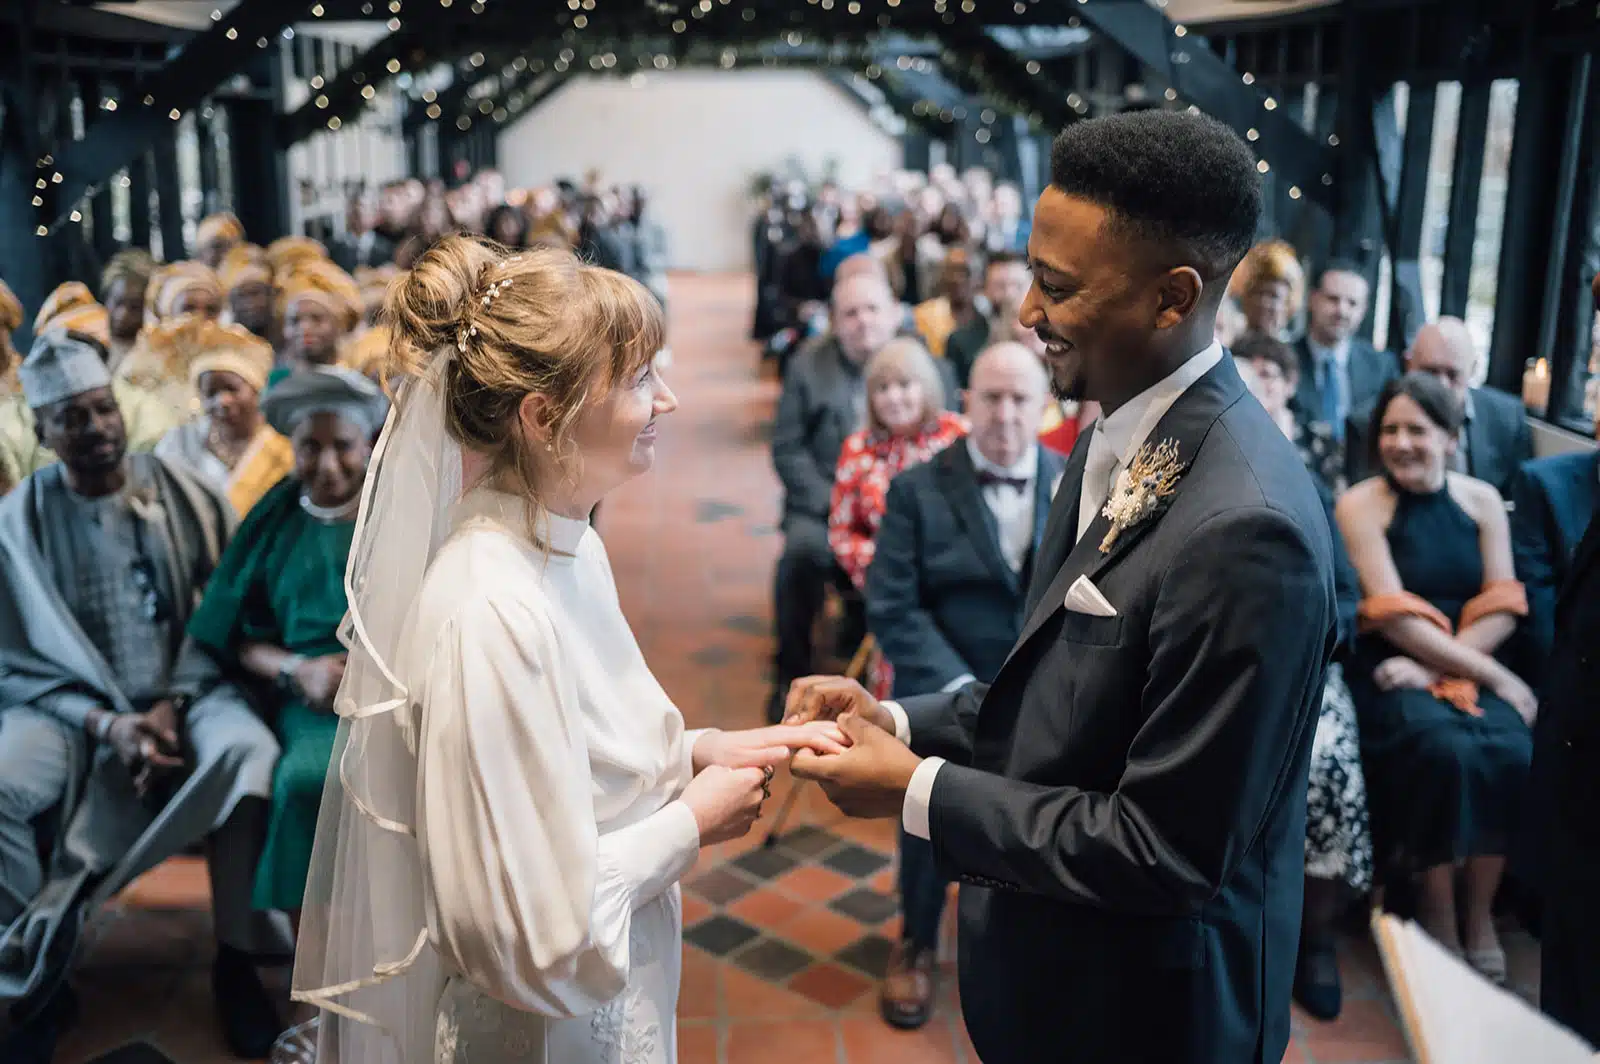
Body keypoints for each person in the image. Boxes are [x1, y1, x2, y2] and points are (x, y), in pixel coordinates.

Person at [787, 110, 1337, 1064]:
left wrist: (917, 790)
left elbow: (1165, 850)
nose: (1027, 313)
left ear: (1173, 298)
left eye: (1057, 285)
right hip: (1055, 968)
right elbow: (1060, 696)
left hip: (1144, 1013)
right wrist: (903, 723)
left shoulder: (1249, 531)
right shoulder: (1108, 431)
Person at [289, 235, 845, 1064]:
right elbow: (521, 931)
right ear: (543, 417)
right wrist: (693, 823)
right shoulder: (489, 612)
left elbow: (574, 751)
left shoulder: (565, 541)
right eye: (636, 380)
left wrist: (701, 750)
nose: (669, 400)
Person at [0, 333, 283, 1062]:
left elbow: (230, 613)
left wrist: (174, 703)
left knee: (250, 755)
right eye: (71, 417)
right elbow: (15, 660)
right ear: (41, 431)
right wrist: (108, 723)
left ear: (120, 413)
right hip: (71, 713)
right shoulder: (19, 523)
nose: (93, 428)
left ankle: (236, 961)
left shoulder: (186, 491)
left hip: (193, 690)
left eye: (102, 410)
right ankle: (37, 972)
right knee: (1, 783)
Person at [864, 341, 1061, 1030]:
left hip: (1048, 698)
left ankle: (1029, 944)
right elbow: (892, 606)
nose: (1005, 414)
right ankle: (917, 938)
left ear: (1044, 408)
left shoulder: (1077, 485)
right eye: (991, 397)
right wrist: (958, 692)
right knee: (926, 803)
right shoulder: (919, 489)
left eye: (1020, 399)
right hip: (946, 687)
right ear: (965, 403)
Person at [1336, 373, 1533, 983]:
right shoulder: (1360, 504)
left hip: (1452, 664)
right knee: (1443, 750)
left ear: (1450, 438)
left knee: (1512, 749)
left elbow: (1501, 603)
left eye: (1417, 431)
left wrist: (1443, 667)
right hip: (1392, 668)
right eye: (1390, 431)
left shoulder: (1481, 502)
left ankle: (1480, 915)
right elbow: (1392, 614)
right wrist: (1495, 677)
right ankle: (1437, 911)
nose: (1401, 443)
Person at [188, 368, 387, 925]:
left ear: (369, 443)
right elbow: (235, 635)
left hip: (395, 693)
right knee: (309, 779)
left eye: (343, 446)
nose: (327, 466)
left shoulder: (399, 512)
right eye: (310, 448)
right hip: (310, 703)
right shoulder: (276, 516)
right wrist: (299, 670)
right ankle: (313, 961)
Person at [1242, 341, 1373, 1020]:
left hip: (1307, 670)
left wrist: (1308, 650)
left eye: (1269, 379)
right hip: (1227, 667)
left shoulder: (1308, 487)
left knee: (1327, 761)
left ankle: (1313, 937)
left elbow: (1345, 597)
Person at [768, 272, 903, 722]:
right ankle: (789, 673)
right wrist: (842, 504)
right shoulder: (808, 363)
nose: (863, 321)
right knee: (800, 560)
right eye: (850, 312)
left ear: (892, 313)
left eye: (872, 310)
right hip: (823, 504)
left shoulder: (918, 363)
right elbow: (787, 448)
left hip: (901, 507)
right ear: (834, 320)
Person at [827, 338, 967, 698]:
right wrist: (883, 571)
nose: (894, 397)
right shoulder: (857, 449)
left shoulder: (959, 437)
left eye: (905, 385)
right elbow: (842, 530)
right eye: (882, 388)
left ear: (927, 387)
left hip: (958, 585)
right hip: (893, 590)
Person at [1345, 318, 1531, 496]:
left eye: (1452, 375)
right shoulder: (1367, 422)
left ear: (1472, 369)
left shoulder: (1507, 418)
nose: (1442, 385)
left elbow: (1519, 504)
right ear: (1409, 365)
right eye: (1430, 372)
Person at [152, 317, 294, 517]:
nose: (222, 401)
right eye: (211, 393)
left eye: (232, 389)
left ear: (256, 391)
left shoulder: (282, 450)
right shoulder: (180, 442)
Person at [1293, 261, 1397, 441]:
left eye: (1352, 303)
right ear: (1312, 299)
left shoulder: (1381, 368)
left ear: (1363, 310)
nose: (1342, 311)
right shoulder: (1285, 359)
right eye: (1333, 299)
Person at [1234, 332, 1345, 494]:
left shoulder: (1318, 440)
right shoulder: (1224, 435)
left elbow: (1328, 502)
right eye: (1245, 374)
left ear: (1290, 383)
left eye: (1265, 374)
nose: (1253, 384)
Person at [1231, 238, 1304, 340]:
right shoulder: (1228, 341)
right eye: (1258, 292)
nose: (1263, 302)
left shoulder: (1293, 354)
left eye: (1273, 296)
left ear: (1289, 305)